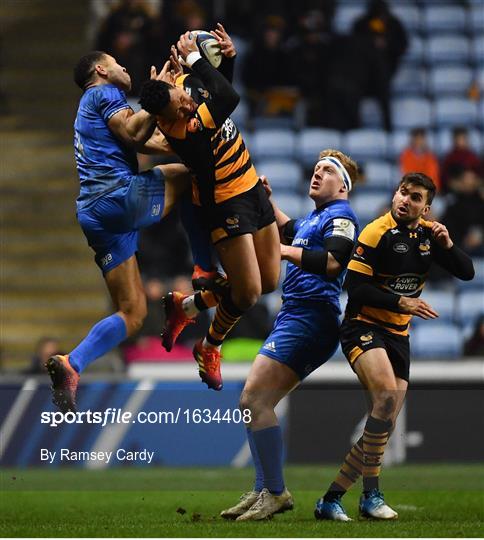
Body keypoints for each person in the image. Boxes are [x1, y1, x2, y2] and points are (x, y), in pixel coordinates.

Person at [46, 51, 208, 413]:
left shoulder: (94, 109)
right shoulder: (103, 94)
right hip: (115, 198)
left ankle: (72, 362)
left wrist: (166, 103)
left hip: (94, 214)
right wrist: (156, 94)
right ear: (101, 70)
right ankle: (205, 270)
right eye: (116, 62)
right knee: (187, 176)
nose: (123, 67)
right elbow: (136, 135)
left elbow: (156, 143)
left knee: (133, 312)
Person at [315, 172, 474, 521]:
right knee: (387, 397)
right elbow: (355, 288)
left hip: (398, 337)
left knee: (383, 420)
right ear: (395, 194)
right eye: (403, 193)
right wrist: (400, 302)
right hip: (363, 327)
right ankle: (371, 496)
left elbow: (467, 272)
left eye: (415, 197)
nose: (405, 200)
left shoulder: (428, 237)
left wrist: (447, 245)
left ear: (426, 207)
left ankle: (331, 498)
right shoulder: (375, 232)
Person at [217, 149, 359, 521]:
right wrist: (267, 202)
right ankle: (266, 488)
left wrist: (281, 250)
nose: (317, 174)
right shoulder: (316, 218)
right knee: (254, 403)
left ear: (343, 185)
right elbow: (290, 229)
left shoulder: (342, 217)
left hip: (312, 317)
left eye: (327, 171)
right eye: (315, 169)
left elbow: (332, 263)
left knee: (253, 398)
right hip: (294, 316)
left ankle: (275, 491)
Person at [139, 27, 280, 391]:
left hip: (250, 184)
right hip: (224, 202)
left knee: (268, 282)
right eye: (179, 106)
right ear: (166, 117)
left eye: (181, 96)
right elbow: (227, 98)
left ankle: (185, 307)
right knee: (247, 294)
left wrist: (227, 59)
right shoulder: (185, 129)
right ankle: (209, 345)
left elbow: (214, 89)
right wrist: (198, 60)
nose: (186, 103)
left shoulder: (182, 91)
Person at [441, 127, 482, 193]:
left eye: (463, 138)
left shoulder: (473, 156)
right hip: (456, 191)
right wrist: (458, 184)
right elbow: (445, 177)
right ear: (454, 140)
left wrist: (473, 181)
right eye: (458, 139)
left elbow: (480, 175)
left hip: (473, 189)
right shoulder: (450, 157)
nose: (461, 142)